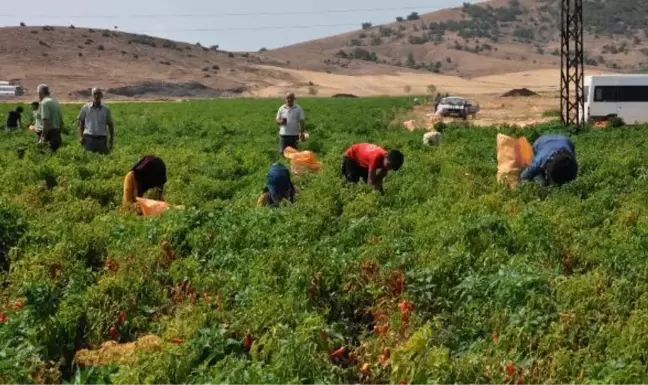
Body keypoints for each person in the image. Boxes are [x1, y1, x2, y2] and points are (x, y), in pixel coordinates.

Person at [78, 87, 114, 154]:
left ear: (101, 95)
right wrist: (81, 136)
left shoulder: (106, 109)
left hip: (102, 139)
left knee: (103, 160)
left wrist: (111, 140)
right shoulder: (86, 107)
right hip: (89, 139)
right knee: (89, 159)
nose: (97, 96)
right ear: (92, 95)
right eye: (95, 94)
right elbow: (81, 122)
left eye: (98, 93)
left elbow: (110, 125)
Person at [37, 84, 63, 151]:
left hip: (47, 136)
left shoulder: (44, 103)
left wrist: (42, 138)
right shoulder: (55, 102)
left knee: (44, 157)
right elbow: (61, 121)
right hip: (56, 134)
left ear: (40, 93)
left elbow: (47, 122)